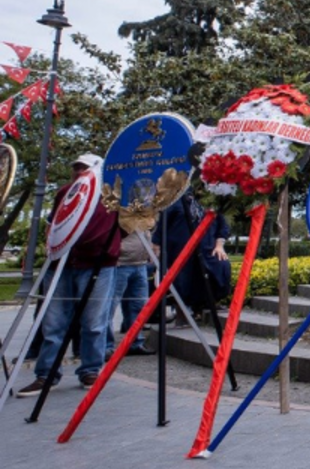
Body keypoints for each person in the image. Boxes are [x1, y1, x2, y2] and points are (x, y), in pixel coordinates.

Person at [15, 155, 120, 397]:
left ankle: (91, 369)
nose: (79, 172)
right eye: (76, 168)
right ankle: (46, 374)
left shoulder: (112, 193)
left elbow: (124, 225)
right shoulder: (66, 192)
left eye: (84, 168)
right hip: (62, 262)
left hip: (97, 263)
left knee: (94, 322)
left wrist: (106, 246)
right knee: (53, 322)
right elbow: (56, 224)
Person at [154, 192, 231, 327]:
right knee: (181, 280)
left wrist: (219, 245)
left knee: (220, 266)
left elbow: (221, 224)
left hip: (205, 247)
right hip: (180, 249)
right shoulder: (175, 201)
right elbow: (161, 228)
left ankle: (207, 302)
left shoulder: (211, 201)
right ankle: (181, 313)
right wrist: (157, 253)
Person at [106, 227, 153, 356]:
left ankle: (135, 342)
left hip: (140, 263)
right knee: (109, 306)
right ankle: (106, 346)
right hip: (120, 262)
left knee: (138, 306)